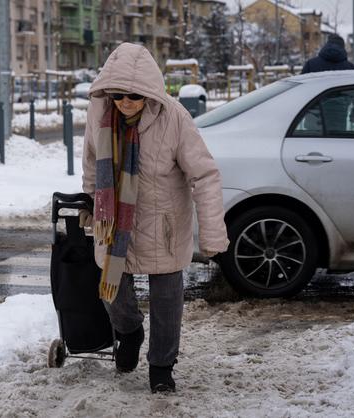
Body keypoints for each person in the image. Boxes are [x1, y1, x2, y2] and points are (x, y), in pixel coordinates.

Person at [79, 43, 229, 394]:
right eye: (117, 94)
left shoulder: (174, 117)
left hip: (163, 223)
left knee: (166, 299)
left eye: (134, 94)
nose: (125, 101)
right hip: (113, 220)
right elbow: (90, 159)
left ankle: (161, 365)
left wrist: (212, 234)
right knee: (112, 293)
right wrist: (89, 201)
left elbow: (204, 175)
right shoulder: (99, 112)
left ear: (148, 91)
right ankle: (130, 332)